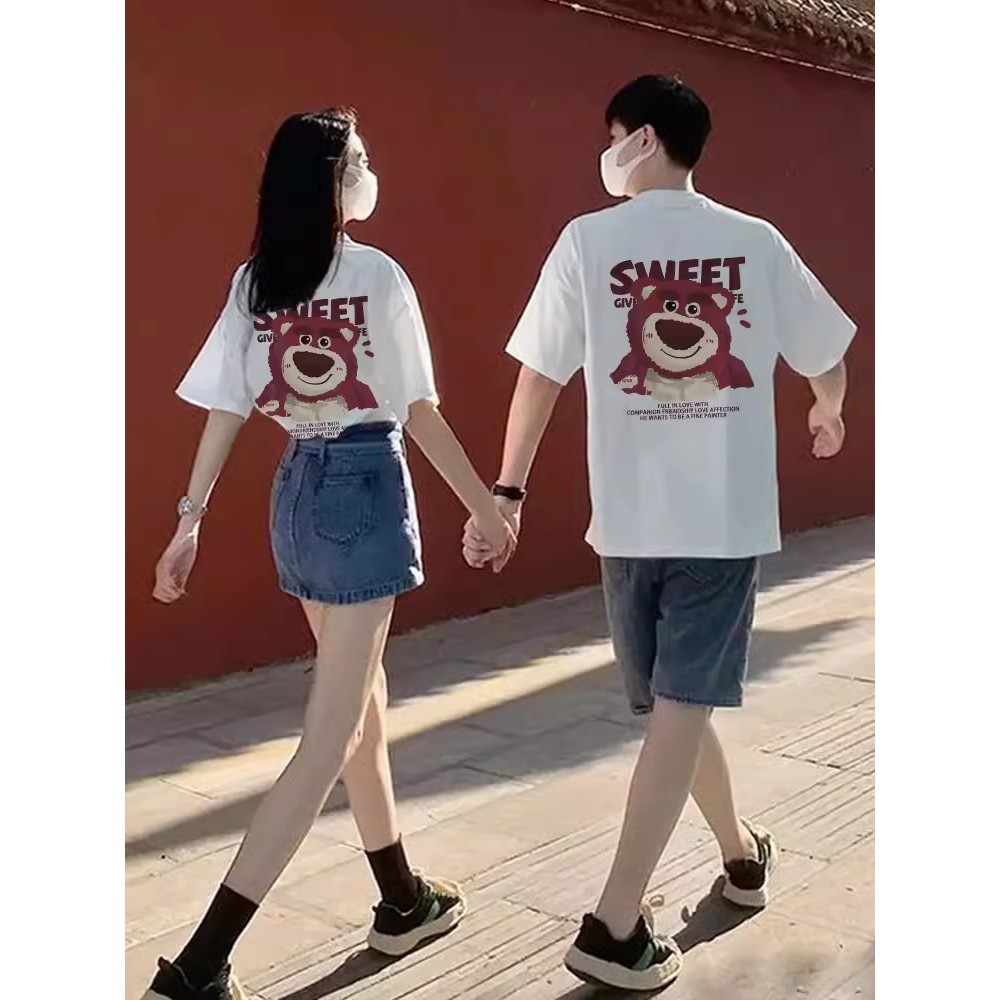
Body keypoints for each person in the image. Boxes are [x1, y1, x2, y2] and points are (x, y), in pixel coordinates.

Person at [463, 74, 856, 992]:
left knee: (678, 707)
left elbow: (539, 376)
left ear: (642, 138)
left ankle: (624, 916)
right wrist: (828, 411)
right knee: (682, 709)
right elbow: (826, 352)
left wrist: (509, 491)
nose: (605, 154)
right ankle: (723, 863)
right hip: (718, 519)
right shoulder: (753, 241)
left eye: (612, 136)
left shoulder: (586, 240)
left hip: (631, 522)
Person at [144, 108, 514, 1000]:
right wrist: (489, 508)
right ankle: (199, 966)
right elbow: (416, 409)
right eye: (359, 160)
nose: (369, 172)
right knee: (330, 735)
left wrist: (191, 518)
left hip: (297, 493)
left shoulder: (255, 283)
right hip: (360, 486)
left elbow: (228, 406)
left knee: (364, 707)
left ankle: (402, 899)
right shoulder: (376, 275)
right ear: (333, 182)